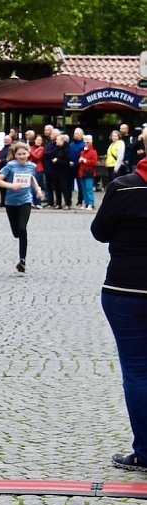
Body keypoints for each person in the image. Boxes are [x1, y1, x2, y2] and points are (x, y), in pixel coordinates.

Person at [91, 156, 147, 473]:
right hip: (126, 291)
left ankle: (145, 450)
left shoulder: (123, 187)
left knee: (138, 372)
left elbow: (100, 231)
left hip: (125, 289)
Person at [0, 142, 43, 273]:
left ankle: (22, 260)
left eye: (24, 154)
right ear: (15, 155)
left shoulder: (31, 166)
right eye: (19, 154)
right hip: (11, 202)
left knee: (22, 229)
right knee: (16, 233)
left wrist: (38, 190)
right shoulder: (10, 166)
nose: (22, 156)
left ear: (28, 154)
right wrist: (11, 186)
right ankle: (20, 246)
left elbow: (32, 178)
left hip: (25, 201)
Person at [49, 134, 72, 209]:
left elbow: (67, 161)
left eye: (58, 140)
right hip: (55, 171)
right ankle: (58, 203)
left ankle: (67, 203)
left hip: (64, 172)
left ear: (62, 141)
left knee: (64, 187)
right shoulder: (55, 149)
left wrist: (58, 160)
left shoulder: (66, 150)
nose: (56, 141)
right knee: (56, 187)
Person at [78, 135, 98, 211]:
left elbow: (94, 162)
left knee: (89, 188)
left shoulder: (93, 152)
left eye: (88, 142)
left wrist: (85, 161)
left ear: (91, 142)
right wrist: (80, 160)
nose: (86, 143)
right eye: (85, 142)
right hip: (82, 172)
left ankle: (91, 203)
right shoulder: (82, 151)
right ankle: (86, 203)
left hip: (89, 172)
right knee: (83, 189)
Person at [69, 128, 86, 206]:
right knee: (69, 185)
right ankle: (68, 201)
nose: (75, 135)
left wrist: (75, 163)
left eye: (77, 134)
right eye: (75, 133)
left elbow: (83, 156)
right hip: (70, 167)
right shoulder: (71, 144)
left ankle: (80, 200)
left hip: (79, 167)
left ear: (81, 135)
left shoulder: (83, 145)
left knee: (80, 185)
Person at [0, 135, 12, 206]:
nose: (6, 141)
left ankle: (7, 202)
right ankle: (2, 202)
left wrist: (0, 161)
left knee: (7, 187)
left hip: (8, 170)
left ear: (10, 140)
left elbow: (10, 159)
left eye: (7, 139)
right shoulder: (2, 149)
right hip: (1, 170)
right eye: (5, 139)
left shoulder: (11, 149)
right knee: (1, 187)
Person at [29, 135, 45, 208]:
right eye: (37, 140)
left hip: (38, 169)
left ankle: (38, 202)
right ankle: (31, 202)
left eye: (40, 140)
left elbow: (37, 157)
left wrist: (30, 152)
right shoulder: (31, 148)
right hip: (30, 169)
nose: (39, 141)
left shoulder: (41, 149)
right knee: (30, 187)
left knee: (36, 186)